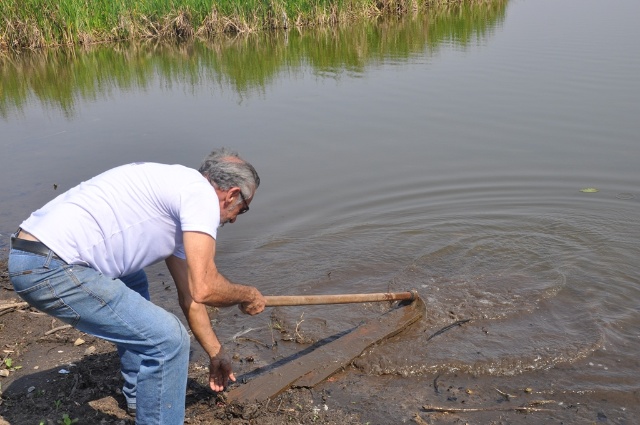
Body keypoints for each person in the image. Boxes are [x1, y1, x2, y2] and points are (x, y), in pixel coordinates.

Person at [7, 148, 266, 425]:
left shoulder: (178, 189)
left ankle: (140, 397)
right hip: (48, 267)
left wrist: (217, 353)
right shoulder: (199, 195)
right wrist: (248, 294)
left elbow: (191, 295)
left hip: (34, 253)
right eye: (243, 207)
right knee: (169, 340)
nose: (236, 218)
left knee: (133, 281)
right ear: (231, 193)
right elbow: (206, 287)